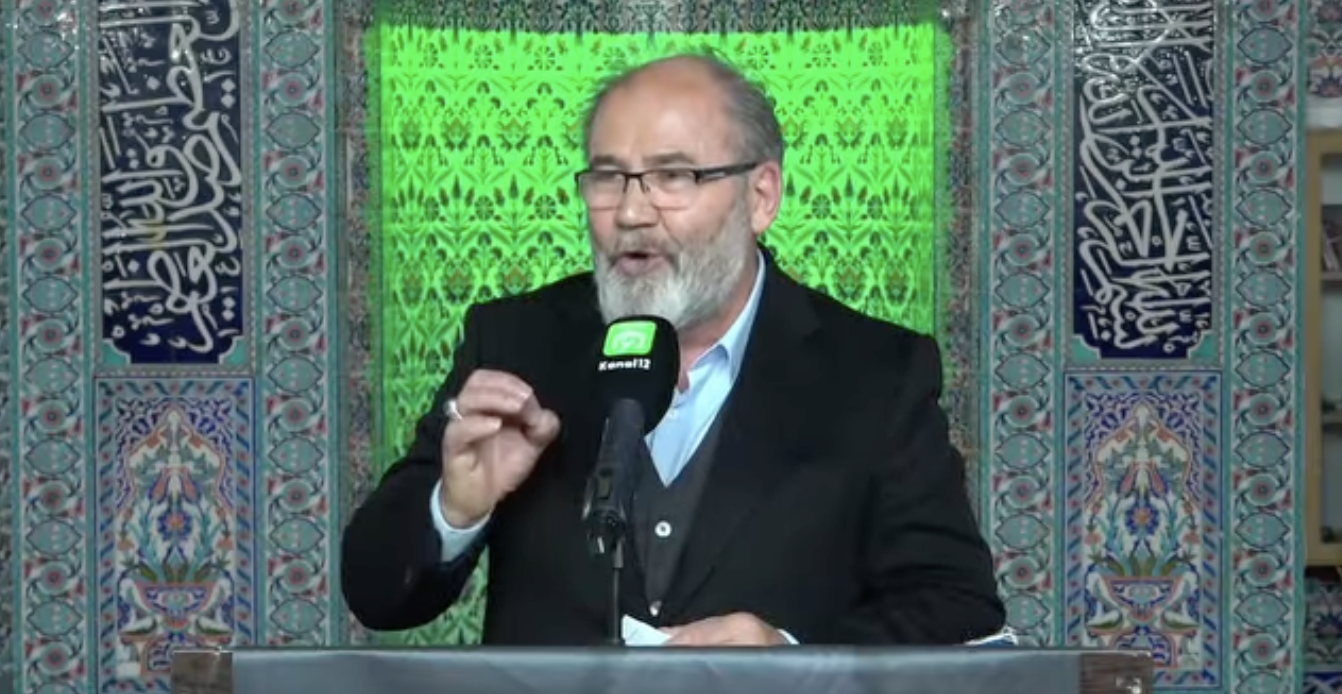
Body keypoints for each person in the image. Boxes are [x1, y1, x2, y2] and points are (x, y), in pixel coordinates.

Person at [340, 51, 1004, 646]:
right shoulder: (516, 342)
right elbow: (374, 593)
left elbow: (958, 606)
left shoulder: (877, 372)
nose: (631, 213)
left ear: (761, 196)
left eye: (674, 176)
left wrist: (791, 657)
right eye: (609, 178)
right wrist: (454, 509)